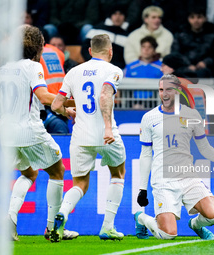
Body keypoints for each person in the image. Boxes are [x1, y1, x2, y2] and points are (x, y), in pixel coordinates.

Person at [0, 25, 78, 241]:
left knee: (29, 173)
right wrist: (75, 101)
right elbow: (44, 96)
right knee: (57, 171)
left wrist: (63, 109)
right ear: (38, 45)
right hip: (29, 130)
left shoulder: (1, 68)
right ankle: (52, 228)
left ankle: (9, 222)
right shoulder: (33, 66)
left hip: (6, 132)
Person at [134, 74, 214, 240]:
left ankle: (195, 225)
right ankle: (141, 218)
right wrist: (142, 188)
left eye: (169, 90)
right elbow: (145, 154)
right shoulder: (149, 118)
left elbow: (204, 147)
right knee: (167, 235)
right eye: (161, 90)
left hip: (188, 177)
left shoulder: (192, 115)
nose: (164, 94)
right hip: (163, 180)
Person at [50, 34, 126, 242]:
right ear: (111, 52)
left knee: (79, 184)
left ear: (90, 51)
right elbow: (104, 95)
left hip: (80, 136)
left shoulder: (73, 72)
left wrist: (69, 113)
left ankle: (62, 214)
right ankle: (108, 227)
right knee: (118, 174)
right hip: (105, 135)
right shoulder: (113, 70)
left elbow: (56, 105)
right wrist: (108, 128)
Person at [171, 7, 214, 78]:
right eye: (192, 17)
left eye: (199, 17)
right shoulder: (180, 34)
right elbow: (175, 53)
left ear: (205, 18)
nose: (196, 20)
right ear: (188, 19)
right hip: (183, 68)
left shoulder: (212, 35)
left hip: (205, 69)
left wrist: (205, 62)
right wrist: (188, 65)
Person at [81, 4, 129, 69]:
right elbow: (85, 48)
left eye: (121, 14)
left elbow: (126, 57)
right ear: (110, 16)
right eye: (115, 14)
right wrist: (94, 62)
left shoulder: (128, 36)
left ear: (125, 17)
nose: (118, 17)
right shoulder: (98, 29)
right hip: (95, 66)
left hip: (116, 69)